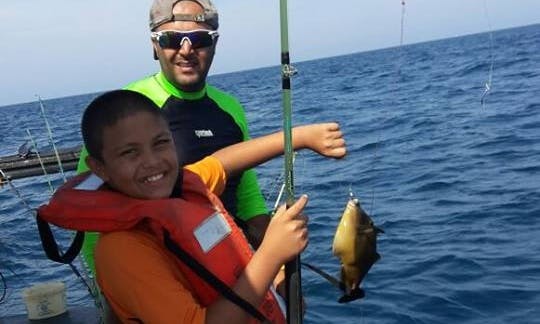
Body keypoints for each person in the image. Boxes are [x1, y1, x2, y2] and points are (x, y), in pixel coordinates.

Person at [40, 90, 346, 323]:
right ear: (100, 168)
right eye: (129, 153)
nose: (152, 162)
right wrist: (271, 257)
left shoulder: (185, 185)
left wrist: (301, 137)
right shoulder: (121, 250)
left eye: (161, 143)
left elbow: (224, 162)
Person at [77, 0, 275, 274]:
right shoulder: (124, 109)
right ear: (154, 46)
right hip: (159, 280)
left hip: (232, 275)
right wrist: (110, 296)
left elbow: (248, 198)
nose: (186, 50)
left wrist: (278, 271)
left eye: (200, 39)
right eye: (171, 39)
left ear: (215, 44)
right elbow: (91, 216)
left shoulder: (231, 107)